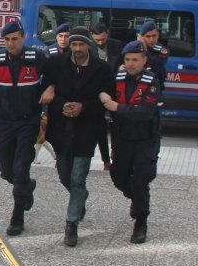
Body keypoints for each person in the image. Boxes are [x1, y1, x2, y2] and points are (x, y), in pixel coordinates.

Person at [0, 20, 53, 236]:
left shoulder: (36, 58)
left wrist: (51, 88)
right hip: (6, 124)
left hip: (29, 122)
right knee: (6, 170)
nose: (11, 43)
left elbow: (54, 77)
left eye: (15, 39)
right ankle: (27, 186)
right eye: (7, 40)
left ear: (23, 38)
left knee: (20, 170)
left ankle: (17, 217)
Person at [44, 26, 111, 247]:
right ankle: (80, 198)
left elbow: (105, 102)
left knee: (77, 177)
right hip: (61, 130)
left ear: (89, 46)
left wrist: (83, 107)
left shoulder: (101, 69)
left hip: (86, 130)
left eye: (82, 44)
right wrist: (63, 104)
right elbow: (48, 91)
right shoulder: (57, 64)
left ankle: (71, 224)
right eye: (74, 44)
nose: (78, 49)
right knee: (64, 174)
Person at [99, 41, 162, 245]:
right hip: (122, 138)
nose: (131, 63)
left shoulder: (152, 81)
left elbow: (145, 112)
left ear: (144, 60)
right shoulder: (118, 77)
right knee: (118, 177)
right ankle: (136, 199)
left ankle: (140, 222)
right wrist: (103, 95)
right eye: (128, 60)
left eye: (135, 59)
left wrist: (116, 107)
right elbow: (103, 91)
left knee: (141, 180)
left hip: (145, 139)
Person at [90, 22, 123, 170]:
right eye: (97, 40)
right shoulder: (88, 47)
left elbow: (123, 64)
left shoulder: (117, 46)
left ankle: (116, 153)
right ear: (92, 36)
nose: (100, 42)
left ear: (107, 34)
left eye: (103, 39)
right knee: (99, 127)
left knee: (117, 124)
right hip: (96, 91)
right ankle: (105, 161)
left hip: (115, 89)